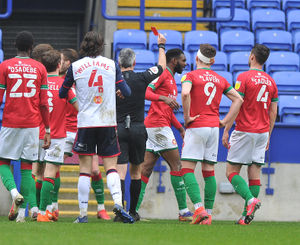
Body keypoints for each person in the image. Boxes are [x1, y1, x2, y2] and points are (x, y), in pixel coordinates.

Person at [59, 31, 133, 223]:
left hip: (86, 123)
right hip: (107, 121)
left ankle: (83, 214)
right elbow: (126, 91)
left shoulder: (75, 66)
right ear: (101, 46)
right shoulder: (111, 64)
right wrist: (115, 90)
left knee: (84, 169)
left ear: (84, 45)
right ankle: (118, 203)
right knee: (111, 167)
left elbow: (61, 93)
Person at [180, 44, 243, 225]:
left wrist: (187, 117)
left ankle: (199, 210)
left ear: (197, 58)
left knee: (186, 169)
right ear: (212, 61)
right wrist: (225, 121)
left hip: (197, 125)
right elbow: (238, 99)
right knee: (209, 171)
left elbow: (185, 94)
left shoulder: (190, 76)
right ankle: (208, 214)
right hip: (214, 128)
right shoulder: (219, 78)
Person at [223, 44, 278, 225]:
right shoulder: (271, 82)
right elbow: (273, 111)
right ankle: (247, 217)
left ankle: (250, 200)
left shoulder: (243, 77)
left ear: (252, 57)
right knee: (254, 171)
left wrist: (226, 127)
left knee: (231, 172)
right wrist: (268, 135)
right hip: (262, 132)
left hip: (245, 130)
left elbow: (237, 103)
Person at [136, 48, 193, 222]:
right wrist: (163, 98)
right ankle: (183, 212)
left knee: (145, 169)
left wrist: (180, 128)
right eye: (183, 60)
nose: (185, 63)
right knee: (177, 166)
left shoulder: (171, 78)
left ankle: (132, 210)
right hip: (158, 127)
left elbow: (167, 111)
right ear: (174, 61)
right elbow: (145, 92)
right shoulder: (163, 75)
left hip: (153, 126)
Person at [116, 33, 166, 221]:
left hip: (119, 128)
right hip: (138, 128)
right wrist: (161, 46)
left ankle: (119, 211)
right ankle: (133, 212)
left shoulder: (114, 80)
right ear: (134, 62)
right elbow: (161, 67)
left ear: (119, 63)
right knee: (136, 171)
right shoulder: (142, 77)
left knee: (120, 171)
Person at [0, 31, 50, 221]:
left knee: (3, 162)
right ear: (31, 47)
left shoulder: (5, 66)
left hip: (11, 122)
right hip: (32, 124)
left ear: (15, 45)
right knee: (27, 167)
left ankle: (14, 193)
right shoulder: (40, 68)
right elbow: (44, 103)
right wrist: (47, 129)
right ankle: (32, 210)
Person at [61, 49, 110, 220]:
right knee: (50, 167)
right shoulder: (61, 83)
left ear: (69, 63)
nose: (60, 63)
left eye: (62, 60)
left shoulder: (83, 83)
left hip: (84, 129)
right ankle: (48, 208)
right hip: (65, 130)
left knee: (95, 169)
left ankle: (101, 208)